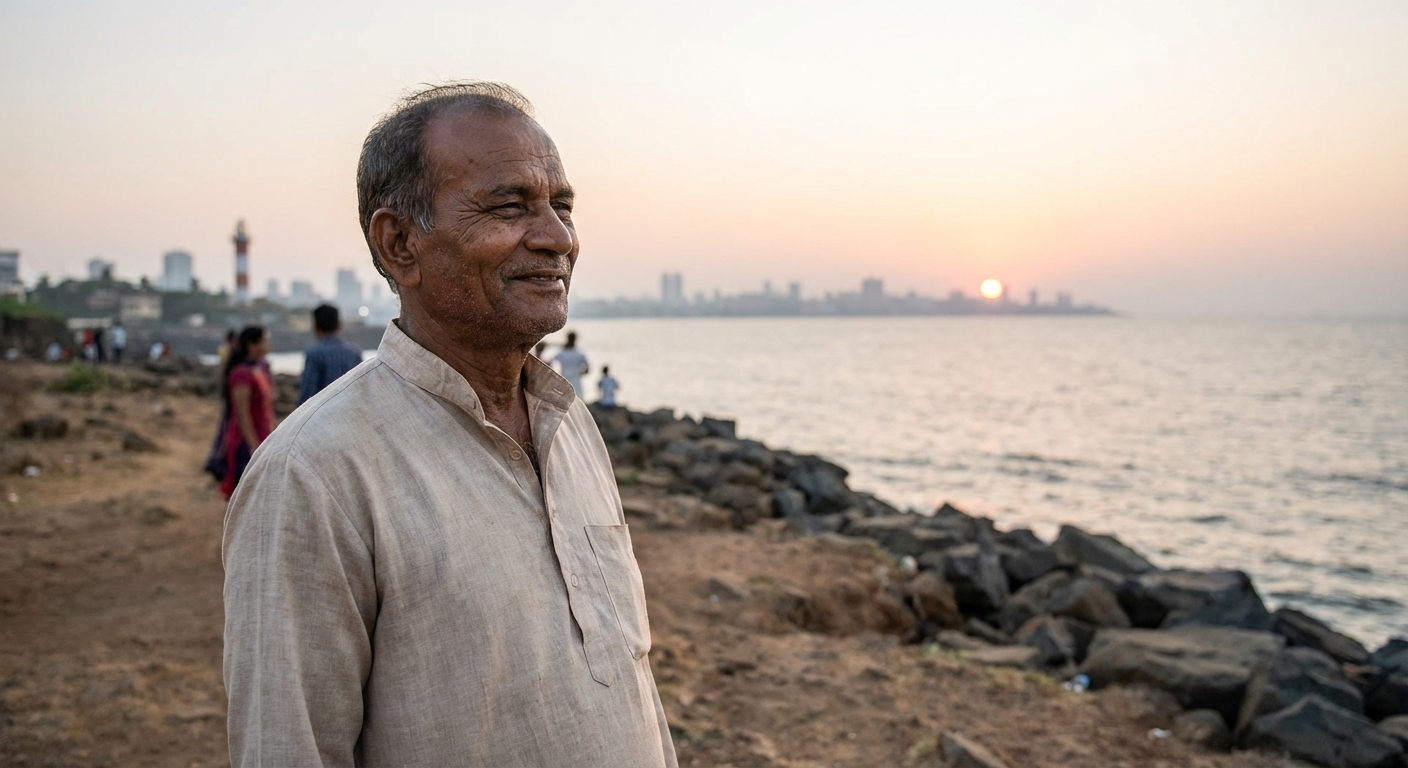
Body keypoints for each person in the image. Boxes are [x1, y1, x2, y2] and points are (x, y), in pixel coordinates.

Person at [222, 82, 676, 768]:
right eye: (509, 206)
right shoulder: (315, 474)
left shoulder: (570, 424)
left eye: (562, 206)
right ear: (399, 242)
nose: (557, 237)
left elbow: (631, 684)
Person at [218, 326, 274, 499]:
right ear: (252, 345)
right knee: (245, 494)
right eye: (264, 341)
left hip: (263, 436)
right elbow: (242, 414)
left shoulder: (260, 369)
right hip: (246, 442)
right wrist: (254, 446)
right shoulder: (241, 373)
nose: (268, 345)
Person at [297, 304, 364, 404]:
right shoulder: (354, 352)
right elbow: (361, 389)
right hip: (350, 413)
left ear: (315, 327)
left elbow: (307, 394)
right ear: (339, 325)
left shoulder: (314, 354)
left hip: (324, 415)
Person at [549, 330, 589, 397]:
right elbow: (587, 370)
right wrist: (579, 373)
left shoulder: (561, 353)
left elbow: (550, 362)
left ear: (567, 338)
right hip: (576, 381)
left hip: (565, 381)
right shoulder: (580, 353)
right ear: (576, 339)